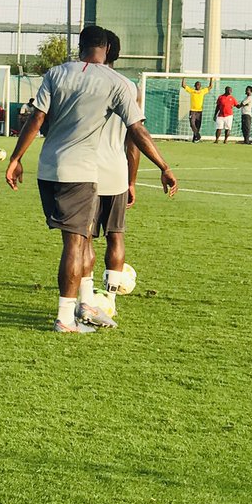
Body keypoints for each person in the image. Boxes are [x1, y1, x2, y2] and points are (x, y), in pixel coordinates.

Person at [5, 26, 178, 333]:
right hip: (83, 172)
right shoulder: (118, 82)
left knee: (82, 239)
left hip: (49, 168)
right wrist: (164, 166)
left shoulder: (56, 74)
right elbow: (136, 132)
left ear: (79, 46)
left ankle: (86, 304)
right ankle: (65, 317)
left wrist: (17, 158)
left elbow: (37, 117)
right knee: (77, 243)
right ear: (108, 49)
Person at [88, 31, 140, 318]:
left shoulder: (81, 81)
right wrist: (131, 180)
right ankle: (109, 298)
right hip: (116, 170)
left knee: (83, 239)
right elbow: (134, 139)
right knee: (115, 235)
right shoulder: (129, 87)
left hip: (82, 169)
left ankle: (85, 295)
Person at [181, 77, 211, 142]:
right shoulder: (192, 91)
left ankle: (195, 139)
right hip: (192, 111)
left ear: (200, 86)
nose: (198, 86)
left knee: (198, 126)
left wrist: (211, 78)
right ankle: (198, 135)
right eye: (197, 85)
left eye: (199, 85)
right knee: (192, 124)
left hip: (199, 111)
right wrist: (183, 78)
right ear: (195, 86)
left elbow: (210, 87)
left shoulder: (202, 91)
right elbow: (183, 85)